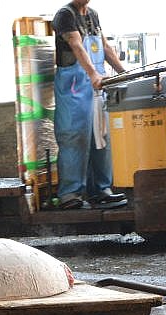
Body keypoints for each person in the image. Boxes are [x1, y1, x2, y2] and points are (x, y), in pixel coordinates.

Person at [52, 0, 127, 210]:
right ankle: (70, 193)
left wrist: (124, 74)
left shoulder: (93, 15)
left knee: (101, 136)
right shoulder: (65, 15)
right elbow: (76, 45)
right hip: (73, 87)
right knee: (74, 136)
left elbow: (104, 47)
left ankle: (101, 190)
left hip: (96, 87)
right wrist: (92, 73)